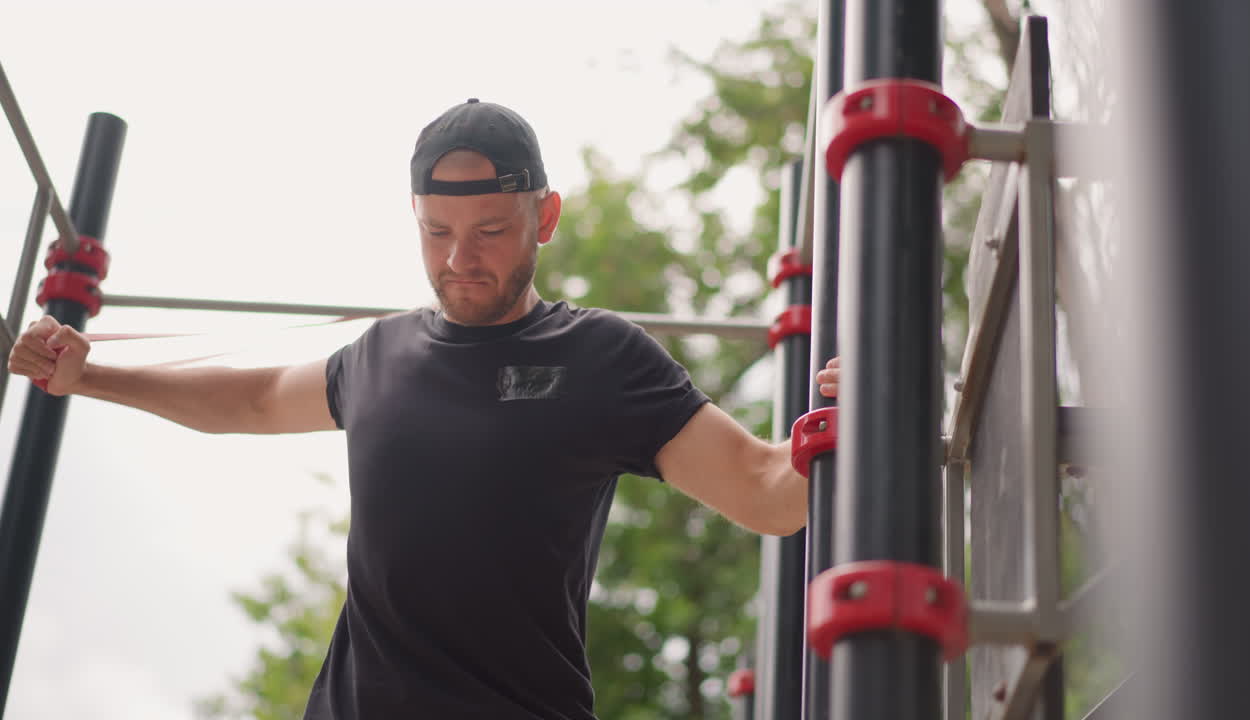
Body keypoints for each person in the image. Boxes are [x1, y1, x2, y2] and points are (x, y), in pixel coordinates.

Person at [7, 99, 843, 719]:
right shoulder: (380, 356)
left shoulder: (601, 356)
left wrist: (850, 421)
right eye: (437, 232)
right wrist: (94, 376)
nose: (460, 259)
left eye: (490, 230)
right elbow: (256, 399)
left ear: (544, 217)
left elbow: (764, 491)